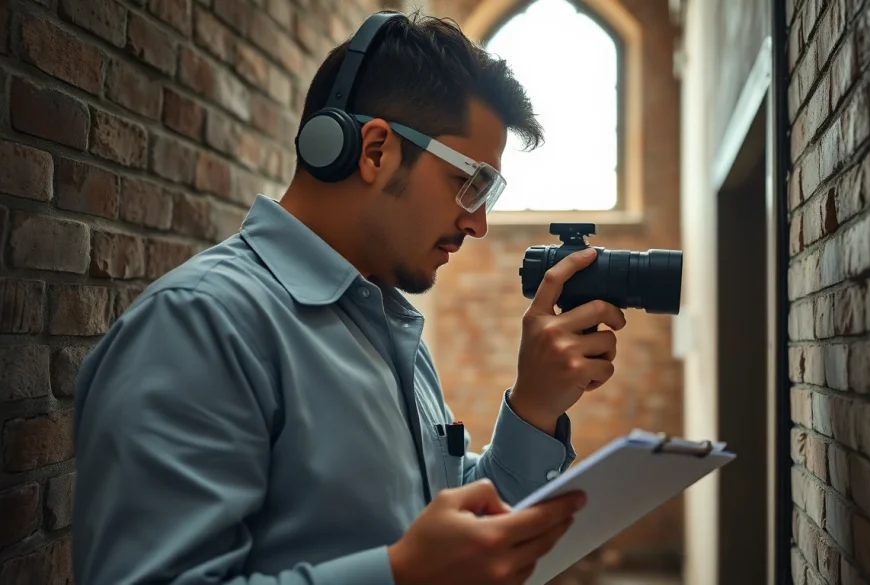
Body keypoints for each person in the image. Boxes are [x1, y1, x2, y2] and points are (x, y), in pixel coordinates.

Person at [71, 8, 627, 585]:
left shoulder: (387, 324)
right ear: (375, 150)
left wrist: (536, 407)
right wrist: (401, 575)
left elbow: (458, 532)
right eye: (470, 183)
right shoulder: (198, 326)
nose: (478, 224)